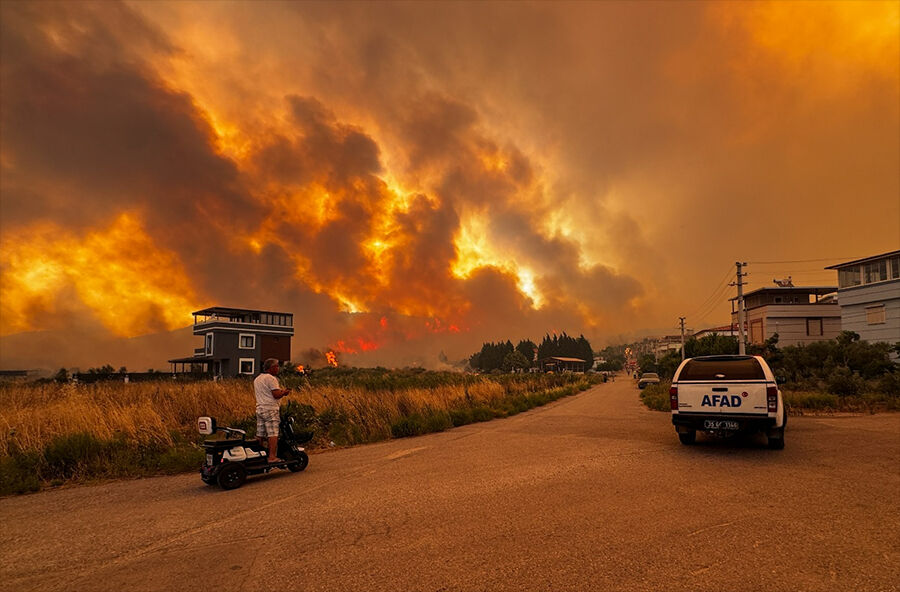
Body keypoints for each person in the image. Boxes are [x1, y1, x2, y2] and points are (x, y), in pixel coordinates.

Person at [254, 358, 291, 463]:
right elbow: (276, 395)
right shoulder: (271, 379)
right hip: (270, 409)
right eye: (277, 366)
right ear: (272, 368)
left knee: (260, 434)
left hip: (260, 408)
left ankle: (258, 456)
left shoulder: (257, 379)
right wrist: (284, 392)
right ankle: (272, 457)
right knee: (273, 434)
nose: (278, 368)